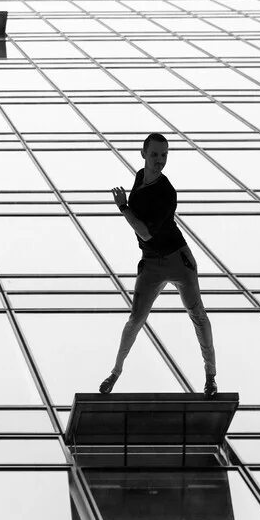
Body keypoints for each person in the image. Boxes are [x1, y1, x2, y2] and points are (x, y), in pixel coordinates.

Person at [101, 132, 217, 396]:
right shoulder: (140, 177)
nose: (159, 160)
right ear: (143, 154)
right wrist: (127, 207)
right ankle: (115, 373)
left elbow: (146, 233)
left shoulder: (167, 192)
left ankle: (210, 376)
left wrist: (123, 208)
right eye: (154, 154)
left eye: (164, 155)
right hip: (151, 263)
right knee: (135, 319)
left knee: (197, 314)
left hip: (178, 259)